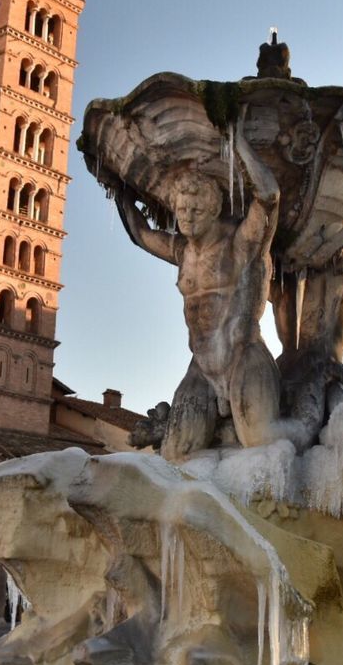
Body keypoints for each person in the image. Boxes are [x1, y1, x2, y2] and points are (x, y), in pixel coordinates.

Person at [115, 114, 284, 461]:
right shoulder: (181, 250)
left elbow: (269, 197)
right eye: (182, 209)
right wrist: (119, 187)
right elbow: (140, 234)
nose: (187, 217)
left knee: (262, 450)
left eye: (195, 209)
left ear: (213, 209)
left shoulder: (239, 244)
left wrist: (238, 143)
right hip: (201, 367)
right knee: (176, 454)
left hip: (243, 356)